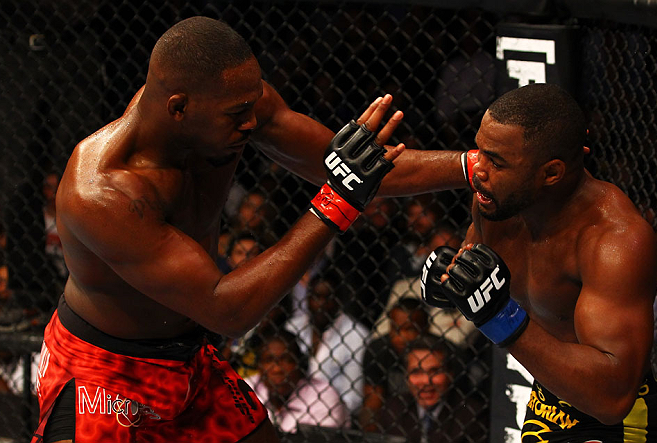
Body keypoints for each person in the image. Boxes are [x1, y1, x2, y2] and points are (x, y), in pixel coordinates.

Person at [33, 16, 471, 443]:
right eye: (238, 113)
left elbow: (359, 172)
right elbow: (227, 311)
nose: (251, 121)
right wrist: (337, 201)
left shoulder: (234, 106)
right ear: (179, 108)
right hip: (104, 374)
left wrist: (473, 167)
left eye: (253, 104)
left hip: (188, 358)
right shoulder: (102, 192)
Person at [421, 83, 657, 441]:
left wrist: (498, 317)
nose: (478, 169)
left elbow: (613, 397)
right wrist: (451, 284)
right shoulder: (496, 203)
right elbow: (476, 278)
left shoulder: (614, 240)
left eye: (497, 161)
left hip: (616, 422)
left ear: (551, 173)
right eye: (481, 151)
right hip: (545, 403)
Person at [285, 268, 369, 414]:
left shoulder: (356, 335)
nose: (322, 304)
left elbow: (353, 398)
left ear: (339, 300)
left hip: (334, 416)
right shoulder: (293, 327)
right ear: (307, 298)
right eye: (316, 296)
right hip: (290, 409)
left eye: (329, 297)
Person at [376, 334, 487, 442]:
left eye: (435, 371)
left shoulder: (471, 416)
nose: (426, 381)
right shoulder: (392, 410)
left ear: (450, 374)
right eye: (416, 372)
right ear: (406, 377)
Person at [245, 330, 348, 433]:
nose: (277, 369)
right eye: (268, 360)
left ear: (300, 364)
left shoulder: (323, 396)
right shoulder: (244, 389)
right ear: (259, 366)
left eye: (287, 360)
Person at [359, 297, 430, 431]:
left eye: (410, 329)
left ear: (426, 328)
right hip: (392, 422)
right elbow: (372, 403)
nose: (401, 337)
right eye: (396, 329)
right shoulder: (378, 351)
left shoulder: (441, 353)